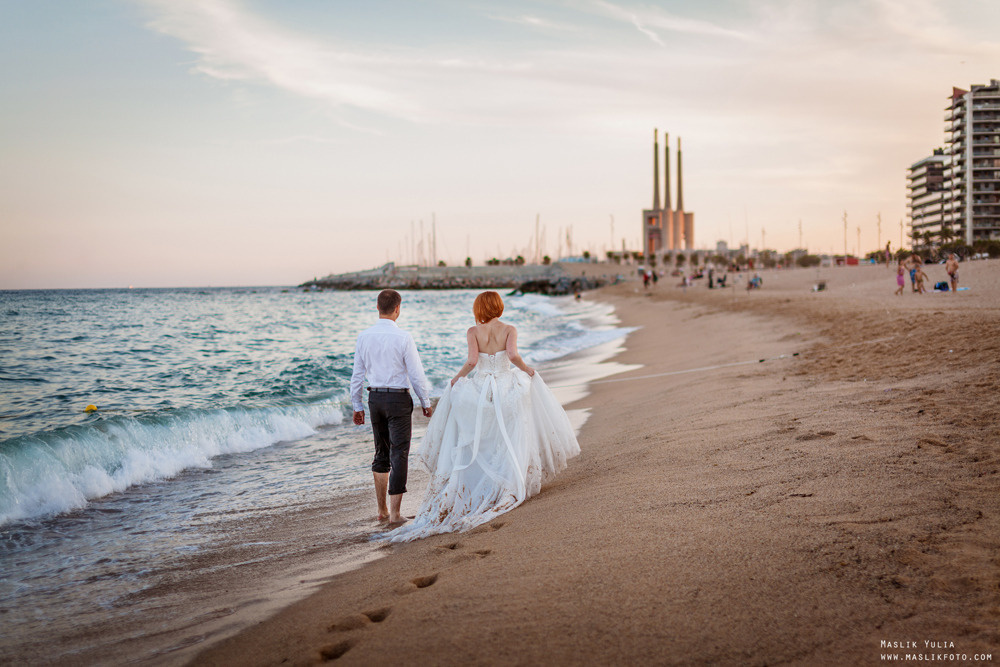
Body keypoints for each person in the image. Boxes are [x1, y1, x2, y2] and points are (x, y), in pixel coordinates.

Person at [384, 291, 580, 542]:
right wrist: (527, 370)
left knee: (481, 436)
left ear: (479, 308)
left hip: (481, 390)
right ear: (498, 306)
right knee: (509, 433)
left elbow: (472, 362)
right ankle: (508, 481)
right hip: (506, 386)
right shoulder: (509, 328)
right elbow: (512, 356)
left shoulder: (473, 332)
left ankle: (481, 482)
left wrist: (457, 378)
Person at [350, 289, 433, 526]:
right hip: (398, 400)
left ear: (378, 308)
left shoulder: (363, 337)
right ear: (398, 309)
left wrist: (357, 405)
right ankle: (396, 514)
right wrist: (425, 402)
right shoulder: (404, 337)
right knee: (399, 453)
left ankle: (382, 510)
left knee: (381, 453)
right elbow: (416, 375)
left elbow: (357, 376)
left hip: (374, 399)